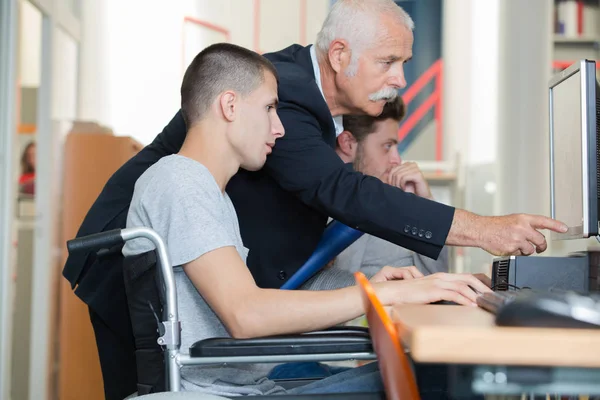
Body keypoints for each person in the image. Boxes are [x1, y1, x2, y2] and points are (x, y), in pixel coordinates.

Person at [62, 1, 567, 398]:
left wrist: (369, 282)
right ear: (340, 56)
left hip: (226, 351)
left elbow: (262, 267)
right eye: (389, 62)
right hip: (130, 273)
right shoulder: (272, 105)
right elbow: (341, 193)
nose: (400, 80)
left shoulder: (268, 134)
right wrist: (481, 231)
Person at [124, 42, 489, 396]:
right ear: (230, 105)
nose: (280, 128)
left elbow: (252, 304)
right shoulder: (181, 182)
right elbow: (246, 313)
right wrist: (379, 294)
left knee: (438, 370)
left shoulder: (211, 193)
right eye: (269, 108)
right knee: (444, 376)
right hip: (228, 392)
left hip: (255, 386)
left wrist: (372, 288)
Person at [302, 97, 448, 292]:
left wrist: (426, 204)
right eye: (387, 146)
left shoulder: (399, 208)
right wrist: (387, 289)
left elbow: (435, 283)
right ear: (348, 143)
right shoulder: (308, 203)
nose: (397, 160)